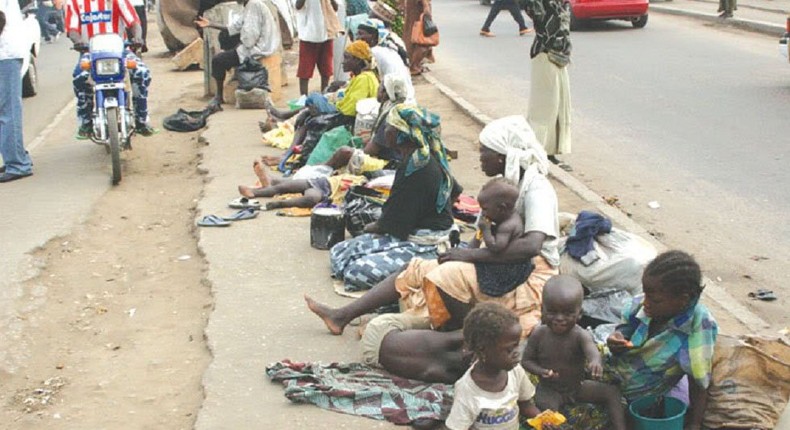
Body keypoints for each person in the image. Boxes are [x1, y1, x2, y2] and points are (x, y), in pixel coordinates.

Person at [305, 115, 559, 337]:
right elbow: (481, 236)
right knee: (415, 267)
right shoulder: (500, 187)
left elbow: (531, 246)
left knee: (444, 276)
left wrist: (467, 256)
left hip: (531, 274)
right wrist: (461, 255)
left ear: (503, 156)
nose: (480, 157)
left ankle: (461, 337)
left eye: (484, 152)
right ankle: (341, 316)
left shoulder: (536, 188)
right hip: (499, 260)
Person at [320, 103, 458, 292]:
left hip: (427, 245)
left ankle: (426, 271)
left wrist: (370, 229)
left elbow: (390, 225)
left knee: (356, 270)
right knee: (340, 251)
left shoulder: (416, 167)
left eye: (388, 128)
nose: (385, 132)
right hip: (415, 233)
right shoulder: (426, 156)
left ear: (400, 134)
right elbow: (454, 191)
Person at [606, 250, 718, 430]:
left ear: (682, 300)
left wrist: (694, 423)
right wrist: (617, 338)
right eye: (645, 295)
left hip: (639, 396)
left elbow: (698, 380)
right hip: (612, 374)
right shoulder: (649, 306)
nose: (645, 303)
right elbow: (627, 326)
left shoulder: (697, 328)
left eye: (654, 299)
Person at [521, 275, 627, 430]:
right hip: (550, 389)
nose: (559, 318)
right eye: (552, 312)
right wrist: (541, 371)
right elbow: (526, 361)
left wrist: (595, 363)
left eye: (568, 313)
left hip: (577, 386)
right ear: (542, 309)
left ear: (580, 314)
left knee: (612, 393)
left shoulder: (580, 335)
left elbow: (592, 351)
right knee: (547, 415)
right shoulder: (539, 334)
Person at [444, 303, 543, 430]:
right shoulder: (467, 391)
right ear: (483, 349)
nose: (517, 352)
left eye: (517, 345)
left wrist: (541, 419)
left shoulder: (515, 372)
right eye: (509, 349)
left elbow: (525, 405)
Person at [65, 0, 155, 137]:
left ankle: (141, 119)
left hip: (120, 52)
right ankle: (86, 121)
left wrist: (138, 37)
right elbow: (72, 29)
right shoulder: (75, 2)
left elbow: (134, 22)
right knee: (80, 77)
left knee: (142, 73)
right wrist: (78, 42)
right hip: (90, 53)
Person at [195, 0, 281, 106]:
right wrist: (210, 24)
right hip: (256, 44)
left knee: (217, 61)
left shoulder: (253, 5)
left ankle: (219, 96)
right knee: (224, 36)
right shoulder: (249, 5)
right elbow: (234, 27)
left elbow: (250, 38)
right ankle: (234, 66)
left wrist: (237, 48)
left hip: (258, 49)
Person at [523, 0, 572, 169]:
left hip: (561, 56)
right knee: (544, 109)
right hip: (545, 54)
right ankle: (537, 153)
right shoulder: (538, 3)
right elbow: (535, 14)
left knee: (558, 107)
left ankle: (549, 153)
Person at [0, 0, 34, 183]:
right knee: (7, 110)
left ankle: (18, 164)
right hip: (9, 53)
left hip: (5, 54)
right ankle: (16, 157)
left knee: (8, 111)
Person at [356, 19, 414, 100]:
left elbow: (368, 79)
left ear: (373, 35)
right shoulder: (388, 47)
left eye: (361, 34)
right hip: (406, 95)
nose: (357, 38)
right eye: (357, 34)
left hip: (397, 98)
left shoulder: (375, 52)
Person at [295, 0, 340, 95]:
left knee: (326, 69)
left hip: (326, 34)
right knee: (304, 70)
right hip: (308, 35)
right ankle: (303, 98)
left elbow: (335, 7)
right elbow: (298, 6)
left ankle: (324, 94)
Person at [403, 0, 435, 76]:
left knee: (412, 34)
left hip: (414, 10)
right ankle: (413, 66)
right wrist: (426, 7)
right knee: (420, 39)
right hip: (417, 10)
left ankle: (412, 64)